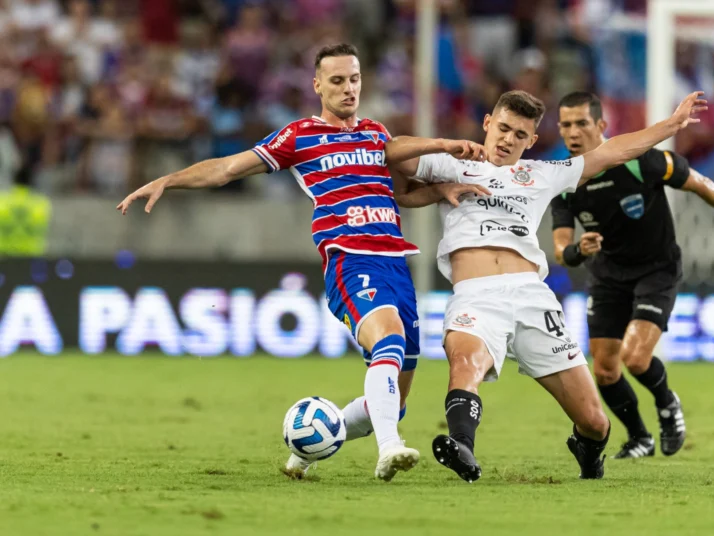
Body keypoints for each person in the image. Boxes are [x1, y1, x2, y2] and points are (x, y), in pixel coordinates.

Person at [117, 43, 487, 482]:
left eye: (354, 79)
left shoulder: (374, 133)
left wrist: (439, 189)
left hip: (396, 266)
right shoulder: (299, 136)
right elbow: (228, 168)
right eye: (336, 81)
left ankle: (307, 450)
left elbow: (400, 191)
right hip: (351, 261)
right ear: (317, 86)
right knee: (386, 342)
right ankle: (390, 448)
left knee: (390, 400)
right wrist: (170, 180)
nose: (348, 88)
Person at [391, 89, 707, 482]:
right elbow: (390, 152)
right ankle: (462, 447)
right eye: (503, 128)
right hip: (475, 294)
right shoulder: (454, 162)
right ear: (488, 124)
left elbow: (614, 153)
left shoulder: (542, 173)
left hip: (531, 297)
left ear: (532, 141)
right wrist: (440, 159)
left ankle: (587, 450)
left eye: (519, 135)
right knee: (466, 363)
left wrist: (671, 126)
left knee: (595, 422)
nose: (508, 139)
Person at [549, 91, 714, 459]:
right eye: (566, 124)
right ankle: (639, 437)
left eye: (581, 123)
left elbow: (697, 181)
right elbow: (561, 249)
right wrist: (579, 250)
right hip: (608, 275)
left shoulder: (641, 162)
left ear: (601, 126)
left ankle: (667, 403)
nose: (573, 132)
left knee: (637, 359)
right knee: (605, 370)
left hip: (656, 269)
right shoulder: (562, 182)